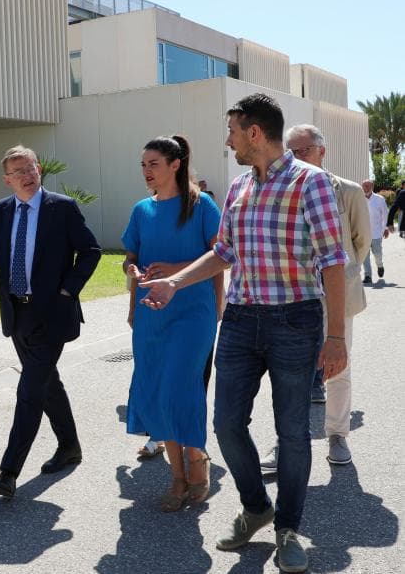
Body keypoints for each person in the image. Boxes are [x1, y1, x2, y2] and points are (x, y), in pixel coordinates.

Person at [139, 94, 347, 573]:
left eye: (232, 131)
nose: (227, 139)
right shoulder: (237, 187)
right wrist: (175, 280)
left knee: (292, 432)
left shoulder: (309, 183)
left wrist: (335, 337)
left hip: (296, 320)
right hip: (240, 320)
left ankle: (288, 527)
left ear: (254, 133)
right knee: (227, 425)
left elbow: (335, 260)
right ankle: (257, 507)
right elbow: (225, 253)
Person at [0, 145, 101, 499]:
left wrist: (68, 291)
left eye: (30, 168)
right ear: (7, 179)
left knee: (29, 389)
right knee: (46, 383)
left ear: (39, 169)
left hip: (53, 314)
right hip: (16, 313)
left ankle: (9, 470)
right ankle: (69, 446)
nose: (26, 175)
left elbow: (90, 251)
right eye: (18, 171)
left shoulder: (62, 208)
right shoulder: (1, 211)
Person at [123, 135, 223, 511]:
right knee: (158, 392)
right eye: (143, 165)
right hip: (151, 312)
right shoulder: (140, 210)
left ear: (175, 164)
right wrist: (131, 269)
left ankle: (196, 464)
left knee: (181, 390)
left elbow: (221, 254)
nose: (147, 172)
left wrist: (179, 273)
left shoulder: (202, 205)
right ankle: (178, 478)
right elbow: (130, 257)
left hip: (192, 313)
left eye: (154, 164)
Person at [274, 124, 367, 467]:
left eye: (304, 151)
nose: (297, 158)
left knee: (338, 367)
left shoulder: (349, 191)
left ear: (321, 151)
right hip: (292, 296)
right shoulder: (281, 190)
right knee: (288, 371)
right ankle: (286, 443)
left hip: (335, 296)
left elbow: (359, 245)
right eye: (292, 152)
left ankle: (337, 435)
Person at [362, 179, 391, 283]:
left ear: (372, 187)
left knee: (377, 254)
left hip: (376, 233)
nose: (365, 188)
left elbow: (385, 215)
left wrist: (386, 228)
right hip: (363, 233)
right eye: (364, 186)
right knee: (364, 256)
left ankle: (380, 266)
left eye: (367, 186)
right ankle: (368, 276)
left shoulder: (380, 199)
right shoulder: (359, 199)